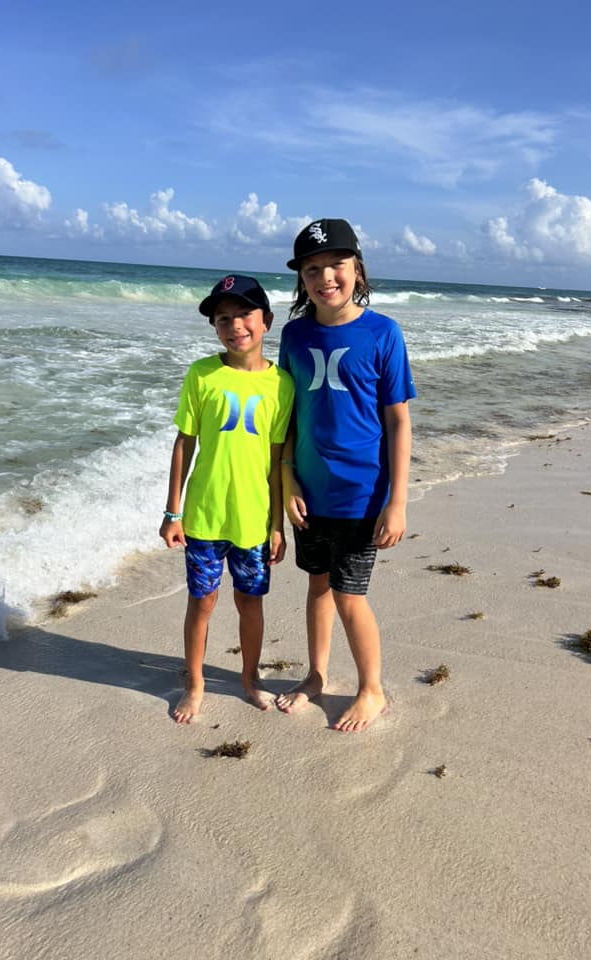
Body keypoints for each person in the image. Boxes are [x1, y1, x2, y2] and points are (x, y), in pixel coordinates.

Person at [277, 218, 416, 732]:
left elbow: (398, 421)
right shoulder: (294, 334)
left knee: (349, 594)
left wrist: (397, 502)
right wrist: (288, 480)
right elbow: (285, 418)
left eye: (336, 264)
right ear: (301, 280)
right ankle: (316, 676)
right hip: (310, 493)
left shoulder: (383, 333)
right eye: (312, 269)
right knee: (316, 586)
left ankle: (372, 690)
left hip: (363, 494)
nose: (324, 276)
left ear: (357, 269)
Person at [159, 275, 295, 724]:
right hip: (202, 516)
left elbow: (278, 459)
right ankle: (194, 684)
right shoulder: (202, 375)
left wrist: (277, 524)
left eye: (244, 315)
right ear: (215, 328)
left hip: (253, 520)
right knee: (202, 601)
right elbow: (185, 443)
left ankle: (249, 678)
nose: (235, 325)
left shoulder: (282, 385)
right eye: (223, 319)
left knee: (250, 602)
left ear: (266, 321)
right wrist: (172, 512)